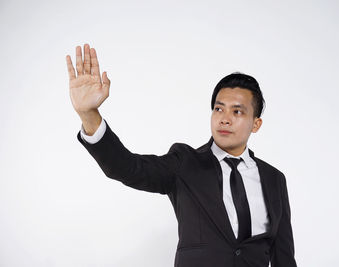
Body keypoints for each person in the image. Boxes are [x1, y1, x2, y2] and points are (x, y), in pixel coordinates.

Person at [66, 43, 297, 267]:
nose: (224, 118)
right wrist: (89, 115)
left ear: (256, 124)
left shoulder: (274, 179)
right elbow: (127, 167)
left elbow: (283, 256)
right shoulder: (185, 163)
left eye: (237, 111)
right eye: (219, 109)